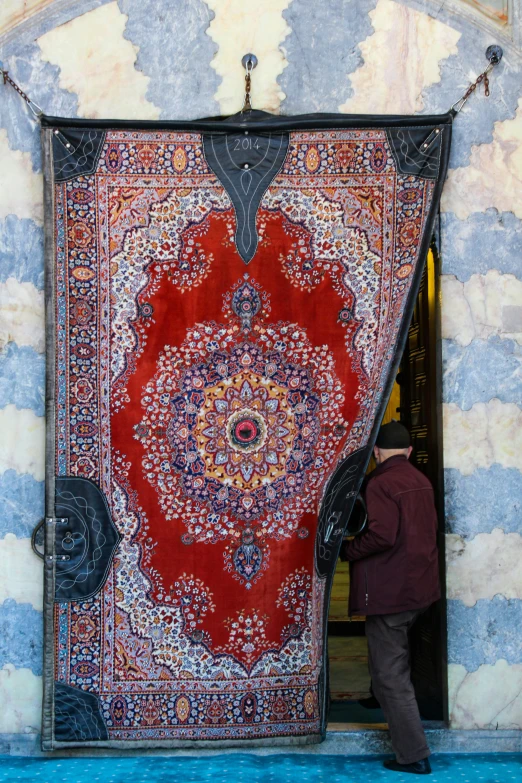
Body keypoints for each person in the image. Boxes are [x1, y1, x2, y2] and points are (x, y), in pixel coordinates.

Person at [342, 420, 440, 776]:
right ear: (409, 452)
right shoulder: (421, 480)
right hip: (419, 590)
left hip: (390, 592)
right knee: (392, 660)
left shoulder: (381, 483)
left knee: (391, 674)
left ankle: (413, 755)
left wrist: (348, 551)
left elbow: (382, 536)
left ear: (377, 453)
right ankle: (378, 698)